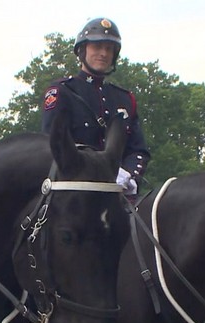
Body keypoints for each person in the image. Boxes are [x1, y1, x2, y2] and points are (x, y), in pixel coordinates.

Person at [41, 17, 150, 195]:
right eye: (97, 47)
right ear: (82, 50)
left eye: (109, 49)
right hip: (74, 191)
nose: (104, 54)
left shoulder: (125, 99)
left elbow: (138, 150)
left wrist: (128, 174)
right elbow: (51, 144)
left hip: (118, 192)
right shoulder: (62, 91)